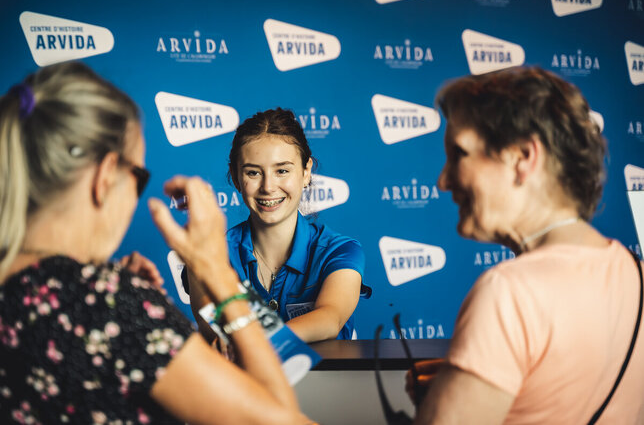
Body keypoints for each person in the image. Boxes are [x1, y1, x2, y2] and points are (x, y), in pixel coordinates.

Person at [0, 62, 310, 424]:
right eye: (139, 176)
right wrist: (217, 273)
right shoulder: (109, 304)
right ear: (105, 176)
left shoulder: (84, 298)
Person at [407, 66, 644, 424]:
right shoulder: (635, 273)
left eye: (459, 153)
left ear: (522, 157)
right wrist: (472, 383)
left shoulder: (507, 292)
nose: (442, 181)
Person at [185, 108, 365, 343]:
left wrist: (251, 340)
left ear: (306, 172)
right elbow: (211, 327)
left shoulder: (339, 251)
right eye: (253, 172)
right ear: (236, 177)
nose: (268, 187)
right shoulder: (210, 253)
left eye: (282, 171)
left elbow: (330, 319)